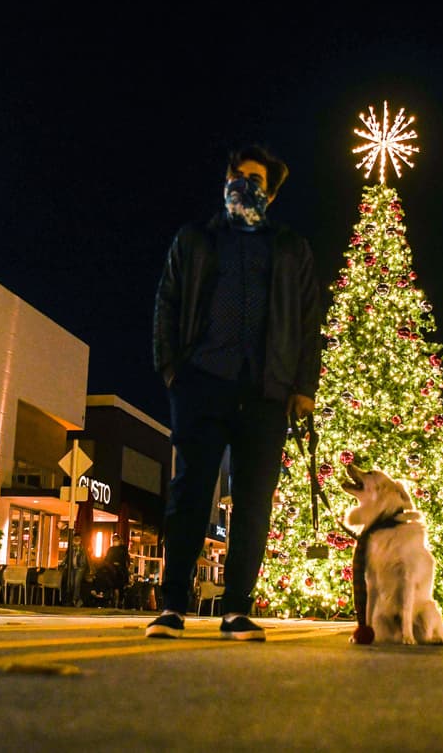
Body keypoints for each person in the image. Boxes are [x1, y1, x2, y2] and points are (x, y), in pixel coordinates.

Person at [147, 144, 320, 641]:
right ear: (226, 182)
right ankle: (172, 606)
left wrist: (304, 387)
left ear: (271, 194)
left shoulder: (290, 249)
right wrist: (171, 371)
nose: (245, 186)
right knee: (190, 493)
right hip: (201, 382)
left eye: (256, 181)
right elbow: (167, 302)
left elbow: (308, 321)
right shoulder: (195, 239)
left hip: (266, 391)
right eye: (238, 177)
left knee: (253, 501)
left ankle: (237, 609)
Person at [63, 533, 89, 607]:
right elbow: (67, 557)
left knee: (76, 582)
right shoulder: (71, 548)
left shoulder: (82, 548)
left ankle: (75, 599)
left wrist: (78, 551)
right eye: (75, 539)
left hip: (80, 568)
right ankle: (76, 599)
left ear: (80, 540)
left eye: (78, 539)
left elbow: (84, 559)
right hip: (72, 568)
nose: (76, 540)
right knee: (71, 583)